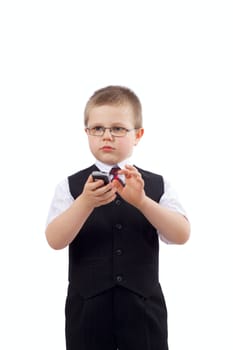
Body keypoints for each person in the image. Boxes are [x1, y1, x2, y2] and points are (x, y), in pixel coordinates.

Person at [45, 85, 190, 350]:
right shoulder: (70, 186)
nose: (107, 136)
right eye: (97, 128)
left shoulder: (158, 184)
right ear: (86, 133)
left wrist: (143, 202)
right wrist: (85, 202)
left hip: (144, 309)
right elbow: (55, 240)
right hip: (87, 311)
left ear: (138, 135)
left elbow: (181, 234)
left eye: (118, 128)